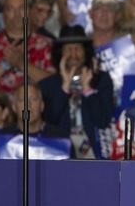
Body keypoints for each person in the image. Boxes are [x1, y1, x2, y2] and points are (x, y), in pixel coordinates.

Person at [39, 25, 115, 159]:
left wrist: (88, 90)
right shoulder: (47, 85)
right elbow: (48, 122)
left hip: (95, 154)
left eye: (78, 48)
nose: (73, 54)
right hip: (58, 153)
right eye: (68, 49)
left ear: (86, 52)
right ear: (60, 53)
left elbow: (103, 121)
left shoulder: (101, 80)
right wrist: (64, 88)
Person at [0, 81, 64, 138]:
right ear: (14, 107)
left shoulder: (59, 139)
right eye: (22, 100)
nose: (28, 105)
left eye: (33, 99)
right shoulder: (1, 139)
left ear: (42, 105)